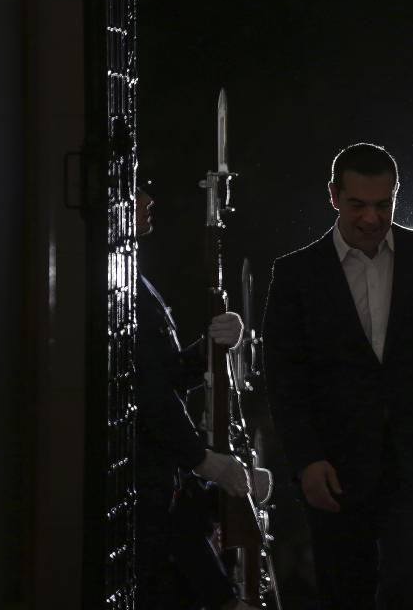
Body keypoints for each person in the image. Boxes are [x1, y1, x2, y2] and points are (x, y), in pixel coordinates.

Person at [262, 142, 413, 609]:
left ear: (396, 196)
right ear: (334, 196)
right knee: (344, 591)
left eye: (384, 205)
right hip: (335, 464)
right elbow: (284, 379)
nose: (372, 218)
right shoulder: (296, 274)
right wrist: (306, 459)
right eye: (358, 204)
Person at [135, 186, 266, 610]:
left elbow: (165, 374)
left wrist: (210, 346)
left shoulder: (133, 278)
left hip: (158, 478)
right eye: (137, 191)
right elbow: (148, 391)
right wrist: (202, 459)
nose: (147, 199)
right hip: (144, 485)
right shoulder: (117, 281)